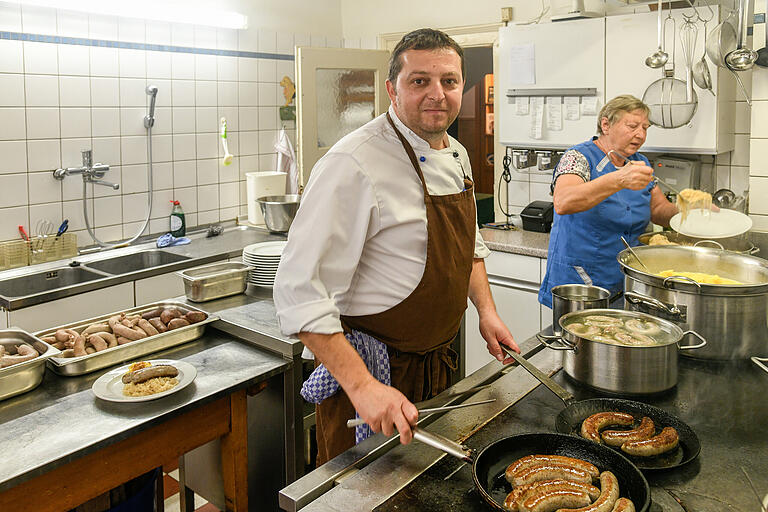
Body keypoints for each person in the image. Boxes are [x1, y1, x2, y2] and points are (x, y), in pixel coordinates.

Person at [274, 28, 519, 465]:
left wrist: (487, 311)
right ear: (392, 89)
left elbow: (469, 248)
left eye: (449, 81)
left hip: (439, 365)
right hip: (373, 375)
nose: (437, 94)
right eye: (419, 80)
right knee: (365, 496)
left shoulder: (458, 155)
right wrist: (364, 387)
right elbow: (298, 292)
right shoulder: (353, 162)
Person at [538, 95, 679, 308]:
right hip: (580, 283)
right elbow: (563, 202)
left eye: (645, 128)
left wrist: (690, 213)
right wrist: (619, 179)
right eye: (632, 126)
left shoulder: (639, 162)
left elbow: (658, 209)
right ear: (606, 124)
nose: (640, 135)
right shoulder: (578, 157)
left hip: (626, 281)